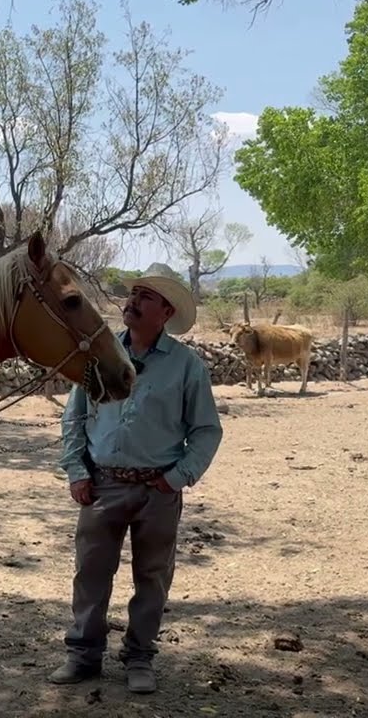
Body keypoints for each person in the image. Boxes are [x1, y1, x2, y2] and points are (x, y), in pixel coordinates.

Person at [50, 270, 223, 694]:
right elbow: (74, 415)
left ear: (166, 312)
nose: (133, 301)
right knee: (90, 573)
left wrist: (177, 478)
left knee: (152, 576)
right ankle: (83, 656)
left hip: (157, 490)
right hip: (101, 483)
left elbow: (206, 430)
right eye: (133, 294)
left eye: (146, 297)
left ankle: (139, 658)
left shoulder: (186, 366)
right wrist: (76, 469)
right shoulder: (100, 355)